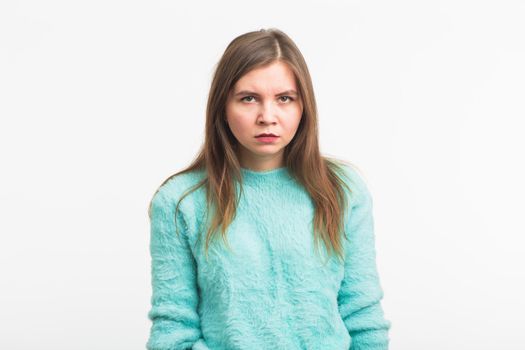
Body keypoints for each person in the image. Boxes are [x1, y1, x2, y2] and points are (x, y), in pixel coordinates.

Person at [145, 28, 392, 350]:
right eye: (249, 98)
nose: (267, 117)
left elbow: (363, 315)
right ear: (222, 106)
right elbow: (173, 330)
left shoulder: (342, 190)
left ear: (304, 107)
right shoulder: (181, 201)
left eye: (284, 99)